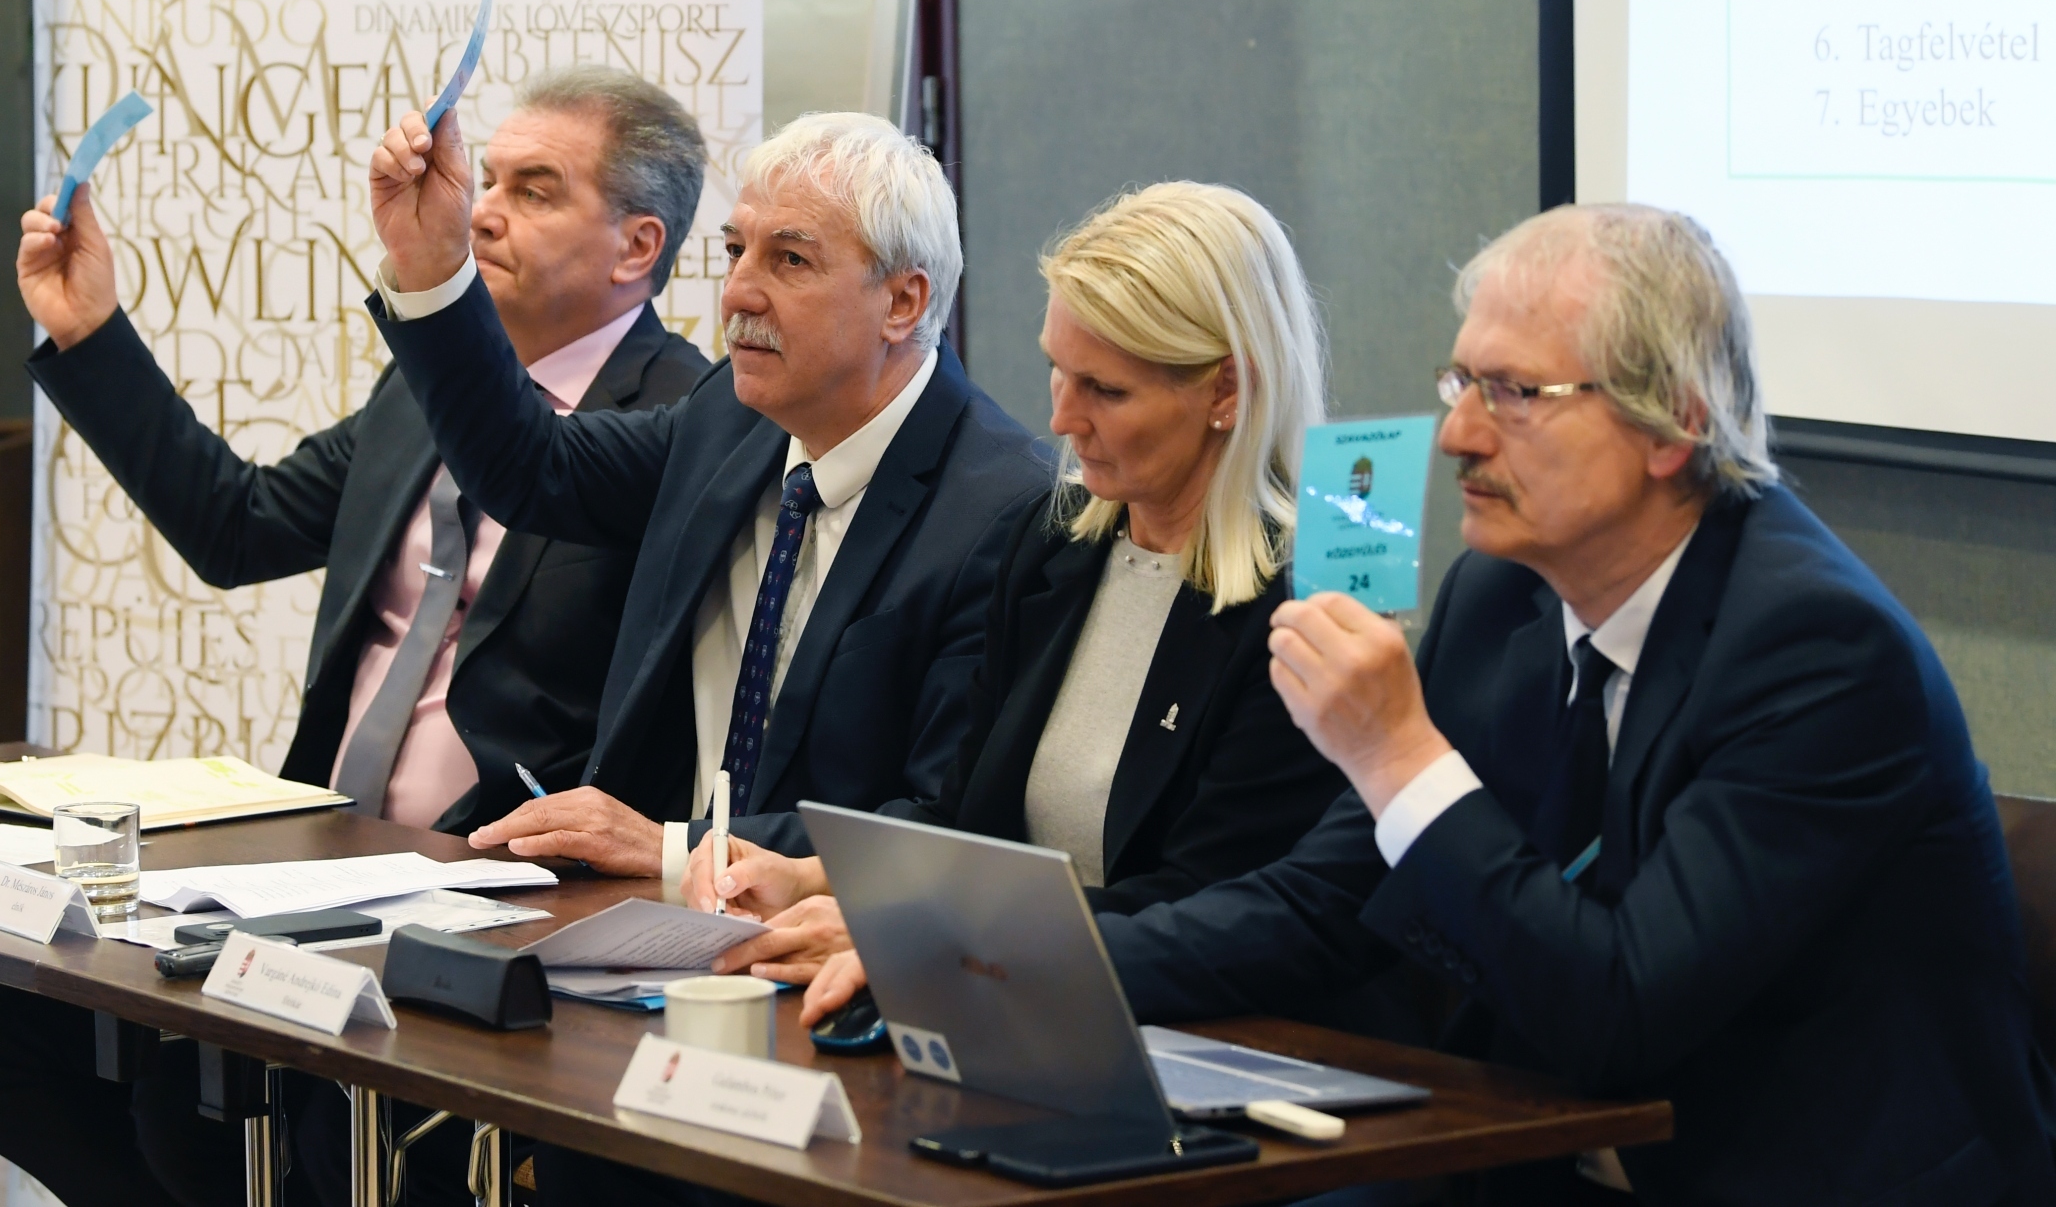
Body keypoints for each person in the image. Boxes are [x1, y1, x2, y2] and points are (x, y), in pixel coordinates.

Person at [808, 203, 2056, 1205]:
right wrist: (981, 961)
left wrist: (1398, 752)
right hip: (1527, 1152)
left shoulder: (1816, 652)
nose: (1455, 433)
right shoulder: (1501, 598)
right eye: (1459, 380)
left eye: (1513, 393)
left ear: (1671, 424)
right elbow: (1323, 897)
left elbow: (1621, 1010)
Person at [0, 68, 712, 1207]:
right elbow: (235, 524)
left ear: (636, 245)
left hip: (498, 902)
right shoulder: (425, 390)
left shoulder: (686, 424)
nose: (484, 210)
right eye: (488, 179)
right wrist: (89, 330)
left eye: (535, 189)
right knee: (2, 1046)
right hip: (322, 866)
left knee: (202, 1116)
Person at [681, 183, 1350, 994]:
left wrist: (923, 927)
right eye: (1057, 372)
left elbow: (1210, 905)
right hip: (1003, 998)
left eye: (1106, 390)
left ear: (1225, 391)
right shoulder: (1052, 543)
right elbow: (965, 819)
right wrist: (813, 876)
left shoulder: (1305, 603)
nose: (1062, 418)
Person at [366, 107, 1053, 887]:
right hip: (632, 915)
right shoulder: (731, 411)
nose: (739, 294)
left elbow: (938, 824)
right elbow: (531, 466)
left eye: (790, 260)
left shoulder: (1006, 510)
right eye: (735, 251)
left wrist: (674, 848)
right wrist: (432, 263)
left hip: (825, 935)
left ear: (902, 303)